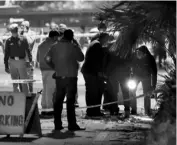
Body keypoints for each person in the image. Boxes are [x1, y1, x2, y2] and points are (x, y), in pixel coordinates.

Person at [44, 29, 85, 131]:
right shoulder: (73, 46)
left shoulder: (55, 46)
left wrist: (55, 67)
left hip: (59, 77)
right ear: (71, 37)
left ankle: (57, 124)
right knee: (70, 102)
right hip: (71, 77)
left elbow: (47, 59)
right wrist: (76, 45)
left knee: (58, 101)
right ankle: (72, 124)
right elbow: (81, 58)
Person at [81, 32, 110, 117]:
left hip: (89, 71)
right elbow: (97, 61)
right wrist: (100, 73)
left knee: (91, 92)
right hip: (91, 72)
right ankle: (94, 111)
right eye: (107, 39)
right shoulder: (97, 45)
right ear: (103, 38)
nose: (107, 41)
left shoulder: (94, 43)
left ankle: (92, 110)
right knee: (95, 92)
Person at [4, 23, 32, 96]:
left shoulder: (23, 39)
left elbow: (28, 50)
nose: (13, 33)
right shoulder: (8, 40)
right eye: (12, 31)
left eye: (14, 31)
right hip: (12, 61)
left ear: (17, 30)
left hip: (21, 61)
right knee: (14, 81)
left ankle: (26, 95)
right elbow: (6, 54)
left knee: (24, 80)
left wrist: (30, 61)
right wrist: (6, 66)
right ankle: (16, 96)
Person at [36, 30, 59, 117]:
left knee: (45, 89)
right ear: (54, 37)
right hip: (52, 69)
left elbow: (38, 59)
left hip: (43, 69)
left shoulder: (41, 45)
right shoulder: (54, 45)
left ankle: (44, 108)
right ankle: (49, 109)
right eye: (57, 37)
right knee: (51, 90)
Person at [131, 45, 157, 116]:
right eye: (137, 53)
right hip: (136, 76)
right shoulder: (135, 58)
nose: (138, 54)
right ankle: (133, 110)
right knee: (132, 91)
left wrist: (153, 85)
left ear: (144, 54)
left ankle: (147, 110)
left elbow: (154, 73)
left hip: (146, 77)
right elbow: (131, 67)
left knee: (147, 93)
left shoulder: (150, 59)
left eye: (139, 53)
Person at [20, 20, 36, 93]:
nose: (21, 27)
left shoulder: (32, 33)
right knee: (20, 79)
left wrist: (25, 34)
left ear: (27, 26)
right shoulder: (19, 33)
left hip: (29, 60)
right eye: (21, 25)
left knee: (29, 78)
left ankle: (30, 94)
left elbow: (29, 42)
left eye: (23, 26)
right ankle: (22, 94)